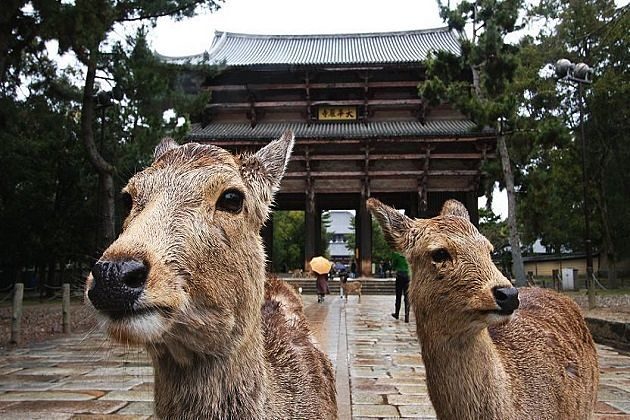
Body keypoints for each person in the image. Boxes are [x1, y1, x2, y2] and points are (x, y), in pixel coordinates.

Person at [391, 253, 410, 323]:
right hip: (408, 277)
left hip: (399, 276)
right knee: (407, 297)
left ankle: (397, 314)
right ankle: (407, 316)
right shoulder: (409, 255)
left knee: (398, 296)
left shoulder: (397, 255)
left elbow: (393, 265)